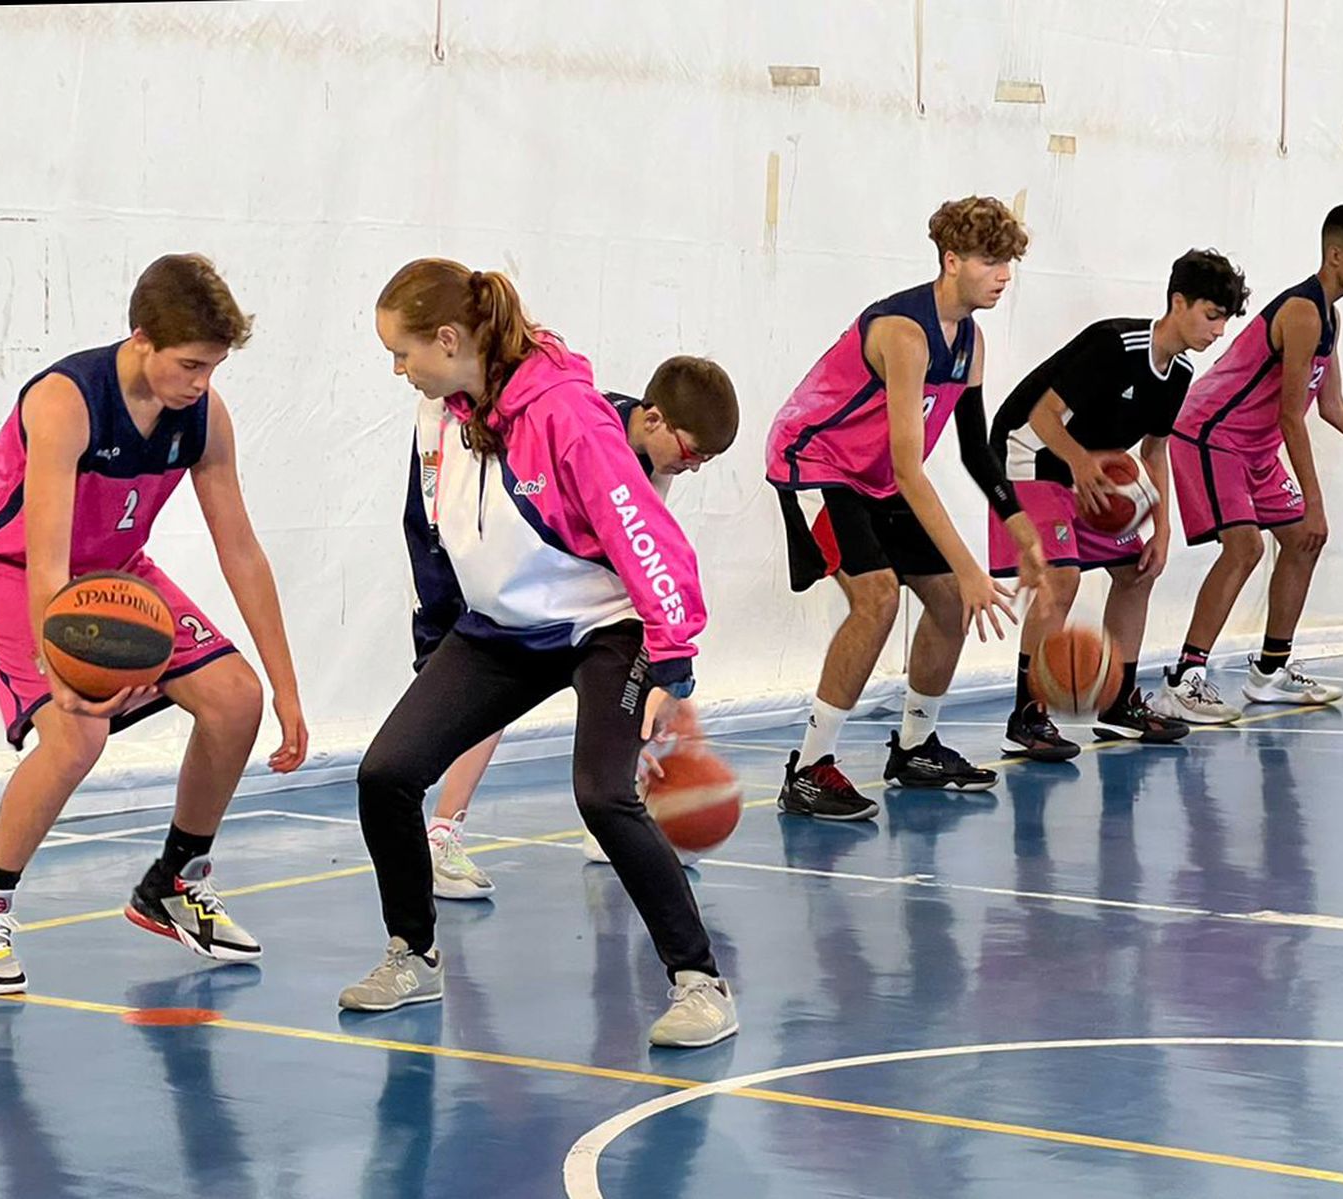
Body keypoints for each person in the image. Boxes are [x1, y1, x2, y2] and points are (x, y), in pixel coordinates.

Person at [343, 259, 738, 1049]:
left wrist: (672, 661)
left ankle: (700, 981)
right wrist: (437, 640)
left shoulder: (567, 414)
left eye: (401, 351)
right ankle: (414, 953)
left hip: (603, 626)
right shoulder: (444, 410)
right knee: (386, 774)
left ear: (448, 339)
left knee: (601, 792)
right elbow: (431, 526)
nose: (396, 367)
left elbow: (646, 536)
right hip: (500, 630)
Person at [0, 254, 309, 995]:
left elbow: (239, 548)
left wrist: (285, 687)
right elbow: (46, 561)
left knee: (235, 700)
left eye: (213, 367)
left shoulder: (204, 416)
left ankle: (173, 880)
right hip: (7, 566)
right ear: (141, 338)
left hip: (113, 571)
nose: (202, 382)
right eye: (191, 364)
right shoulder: (66, 401)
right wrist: (61, 675)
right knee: (77, 734)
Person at [765, 195, 1045, 822]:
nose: (1003, 275)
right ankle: (809, 768)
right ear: (951, 260)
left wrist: (1019, 528)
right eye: (989, 260)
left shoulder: (969, 342)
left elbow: (976, 449)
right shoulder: (904, 334)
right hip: (814, 464)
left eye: (1009, 262)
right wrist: (973, 567)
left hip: (873, 476)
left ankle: (915, 748)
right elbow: (908, 468)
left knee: (945, 600)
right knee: (879, 598)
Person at [424, 356, 740, 897]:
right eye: (692, 453)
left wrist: (672, 678)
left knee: (628, 681)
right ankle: (441, 835)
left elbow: (639, 559)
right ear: (656, 420)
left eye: (706, 460)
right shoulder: (589, 436)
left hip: (578, 592)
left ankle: (611, 819)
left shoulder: (654, 458)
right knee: (494, 698)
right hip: (512, 576)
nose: (693, 467)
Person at [1159, 205, 1343, 722]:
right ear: (1336, 255)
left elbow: (1331, 407)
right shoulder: (1304, 313)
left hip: (1254, 447)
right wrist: (1314, 499)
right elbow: (1292, 416)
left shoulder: (1332, 315)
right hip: (1210, 435)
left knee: (1306, 540)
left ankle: (1270, 669)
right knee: (1245, 546)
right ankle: (1184, 679)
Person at [987, 250, 1249, 758]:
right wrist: (1082, 463)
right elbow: (1043, 418)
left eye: (1224, 320)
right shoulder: (1114, 344)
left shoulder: (1178, 375)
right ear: (1179, 302)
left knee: (1137, 571)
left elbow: (1154, 450)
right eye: (1212, 315)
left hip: (1086, 470)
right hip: (1028, 453)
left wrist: (1164, 529)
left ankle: (1119, 705)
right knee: (1061, 576)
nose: (1218, 331)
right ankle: (1027, 716)